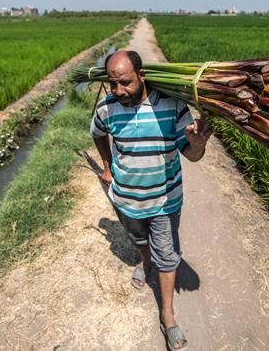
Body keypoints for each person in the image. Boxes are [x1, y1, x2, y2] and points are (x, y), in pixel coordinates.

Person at [90, 50, 212, 350]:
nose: (119, 91)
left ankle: (167, 315)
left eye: (125, 83)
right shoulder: (107, 107)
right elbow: (96, 133)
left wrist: (197, 145)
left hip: (164, 200)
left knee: (168, 255)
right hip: (126, 199)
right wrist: (107, 167)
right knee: (140, 240)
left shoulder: (171, 106)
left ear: (142, 76)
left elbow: (192, 155)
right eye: (113, 84)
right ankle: (145, 263)